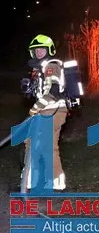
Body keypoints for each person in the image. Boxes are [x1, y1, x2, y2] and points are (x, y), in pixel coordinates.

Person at [21, 34, 69, 192]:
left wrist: (34, 109)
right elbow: (39, 92)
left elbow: (51, 93)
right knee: (42, 143)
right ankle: (54, 180)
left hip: (52, 109)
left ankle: (31, 180)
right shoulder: (39, 68)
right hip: (48, 109)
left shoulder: (51, 65)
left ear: (49, 50)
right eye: (36, 50)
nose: (39, 52)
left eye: (42, 49)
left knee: (37, 142)